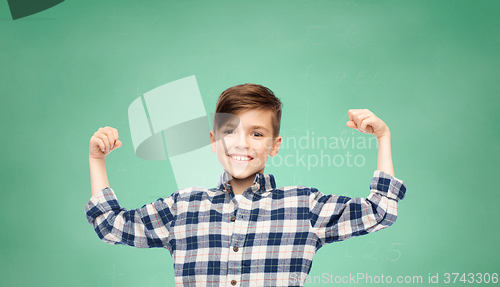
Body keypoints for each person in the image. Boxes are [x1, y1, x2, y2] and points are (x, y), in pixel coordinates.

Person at [85, 83, 406, 286]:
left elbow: (379, 211)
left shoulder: (304, 207)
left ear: (274, 144)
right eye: (230, 132)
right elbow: (113, 225)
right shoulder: (182, 207)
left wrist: (383, 137)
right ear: (213, 141)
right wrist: (97, 160)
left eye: (256, 133)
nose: (242, 144)